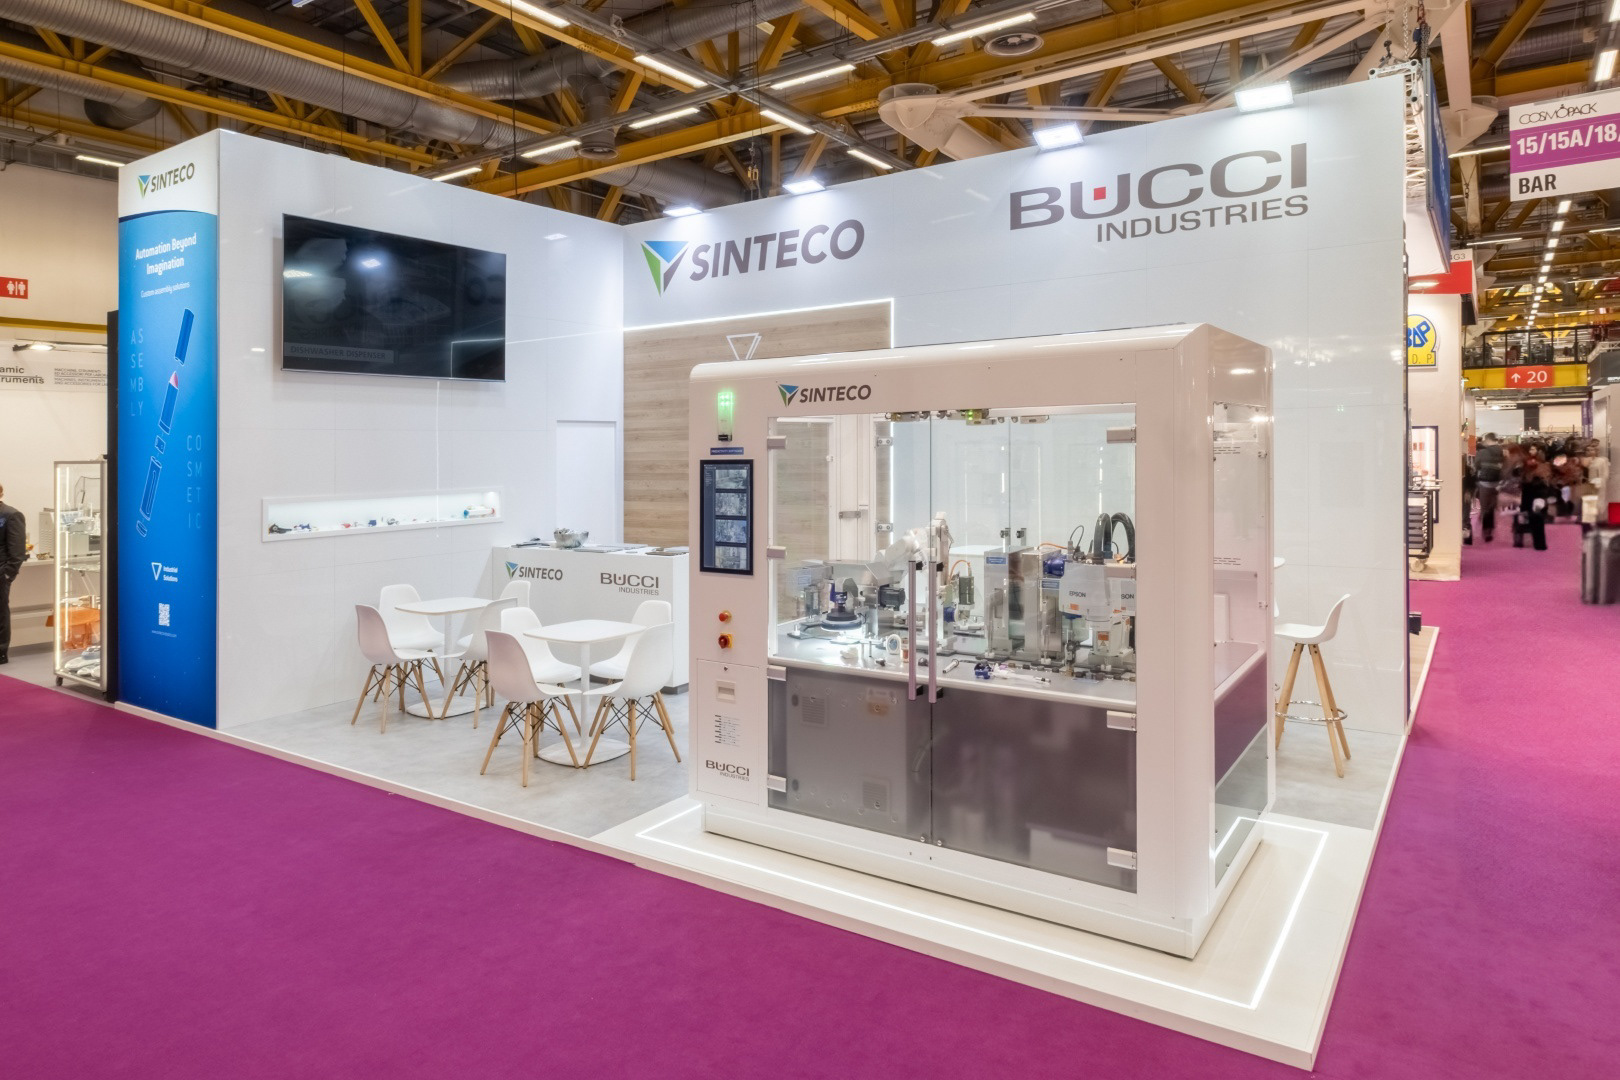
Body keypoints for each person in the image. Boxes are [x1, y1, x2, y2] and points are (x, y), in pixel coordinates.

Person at [0, 483, 28, 664]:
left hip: (1, 572)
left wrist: (6, 575)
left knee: (0, 613)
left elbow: (17, 552)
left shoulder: (11, 515)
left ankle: (1, 652)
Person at [1516, 448, 1553, 551]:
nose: (1531, 451)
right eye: (1530, 449)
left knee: (1536, 518)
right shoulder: (1524, 465)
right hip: (1530, 493)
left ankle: (1539, 543)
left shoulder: (1542, 466)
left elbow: (1545, 479)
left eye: (1533, 449)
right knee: (1532, 518)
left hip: (1537, 493)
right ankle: (1538, 543)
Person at [1475, 433, 1505, 542]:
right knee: (1491, 507)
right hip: (1498, 483)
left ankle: (1486, 530)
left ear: (1487, 440)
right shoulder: (1503, 452)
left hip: (1484, 482)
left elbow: (1477, 466)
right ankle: (1490, 529)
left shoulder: (1482, 453)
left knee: (1485, 507)